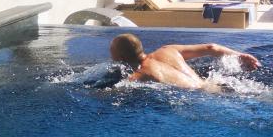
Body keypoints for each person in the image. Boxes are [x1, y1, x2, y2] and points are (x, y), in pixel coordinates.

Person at [109, 33, 260, 93]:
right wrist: (240, 56)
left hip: (207, 97)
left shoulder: (139, 75)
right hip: (216, 85)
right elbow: (211, 48)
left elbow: (114, 92)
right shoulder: (168, 50)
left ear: (121, 57)